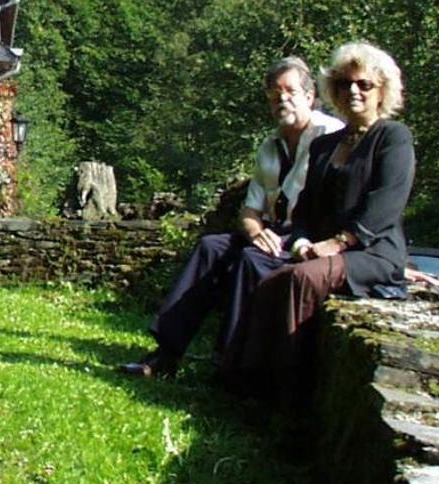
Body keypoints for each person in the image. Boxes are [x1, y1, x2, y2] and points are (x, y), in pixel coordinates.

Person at [120, 57, 341, 377]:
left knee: (250, 260)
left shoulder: (330, 135)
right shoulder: (269, 146)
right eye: (274, 92)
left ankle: (229, 364)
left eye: (290, 91)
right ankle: (165, 354)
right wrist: (255, 231)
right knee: (211, 247)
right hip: (273, 231)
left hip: (307, 235)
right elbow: (250, 211)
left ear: (309, 96)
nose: (282, 98)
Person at [222, 41, 415, 401]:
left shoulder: (393, 138)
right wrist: (301, 242)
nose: (353, 91)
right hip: (325, 250)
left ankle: (289, 399)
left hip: (374, 254)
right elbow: (306, 209)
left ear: (382, 91)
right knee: (266, 280)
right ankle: (241, 382)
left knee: (299, 281)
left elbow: (386, 205)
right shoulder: (326, 145)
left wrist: (339, 243)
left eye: (363, 84)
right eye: (344, 84)